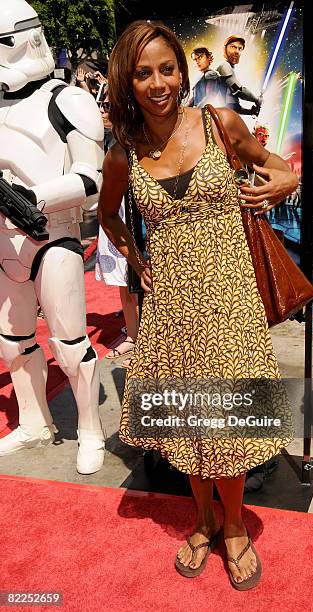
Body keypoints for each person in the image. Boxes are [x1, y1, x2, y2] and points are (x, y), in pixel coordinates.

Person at [99, 20, 298, 590]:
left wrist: (277, 186)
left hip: (230, 298)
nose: (158, 82)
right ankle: (204, 519)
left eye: (167, 68)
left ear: (182, 72)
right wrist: (134, 258)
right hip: (171, 305)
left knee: (228, 419)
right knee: (189, 420)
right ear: (127, 82)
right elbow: (110, 215)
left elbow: (279, 168)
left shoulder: (218, 122)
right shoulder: (125, 154)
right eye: (144, 73)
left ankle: (234, 527)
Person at [0, 0, 105, 474]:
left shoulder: (67, 100)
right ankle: (34, 422)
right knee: (11, 341)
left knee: (69, 343)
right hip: (4, 244)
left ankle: (89, 428)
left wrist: (31, 199)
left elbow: (90, 179)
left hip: (52, 236)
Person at [95, 92, 139, 368]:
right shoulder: (111, 140)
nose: (102, 111)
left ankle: (140, 338)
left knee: (136, 277)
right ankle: (134, 333)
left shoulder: (136, 140)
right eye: (102, 105)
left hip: (135, 214)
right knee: (125, 278)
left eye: (109, 107)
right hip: (115, 211)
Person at [216, 35, 262, 117]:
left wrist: (251, 112)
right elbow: (238, 90)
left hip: (226, 115)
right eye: (233, 47)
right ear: (225, 49)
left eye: (240, 48)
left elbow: (235, 109)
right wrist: (256, 99)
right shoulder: (224, 66)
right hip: (221, 115)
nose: (237, 51)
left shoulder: (229, 67)